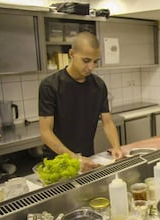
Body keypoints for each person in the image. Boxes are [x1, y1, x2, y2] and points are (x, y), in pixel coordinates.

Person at [39, 31, 124, 172]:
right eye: (86, 60)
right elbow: (45, 132)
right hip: (58, 162)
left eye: (95, 61)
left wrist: (116, 147)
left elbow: (107, 122)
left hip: (87, 158)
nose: (91, 67)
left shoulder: (98, 85)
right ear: (71, 54)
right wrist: (74, 159)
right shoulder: (50, 85)